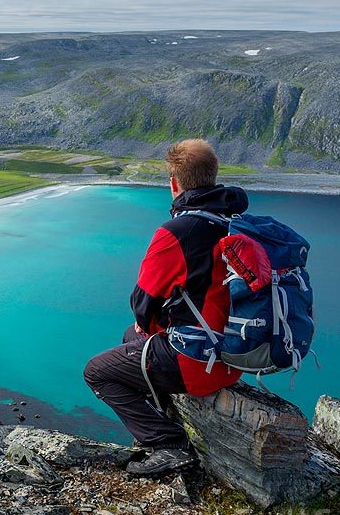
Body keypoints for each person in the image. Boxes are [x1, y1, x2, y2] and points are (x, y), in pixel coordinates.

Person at [83, 139, 248, 476]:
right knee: (132, 338)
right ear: (213, 176)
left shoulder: (178, 232)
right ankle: (165, 413)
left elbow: (142, 300)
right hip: (234, 356)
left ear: (174, 183)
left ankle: (168, 444)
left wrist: (146, 322)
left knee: (97, 372)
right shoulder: (237, 224)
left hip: (197, 364)